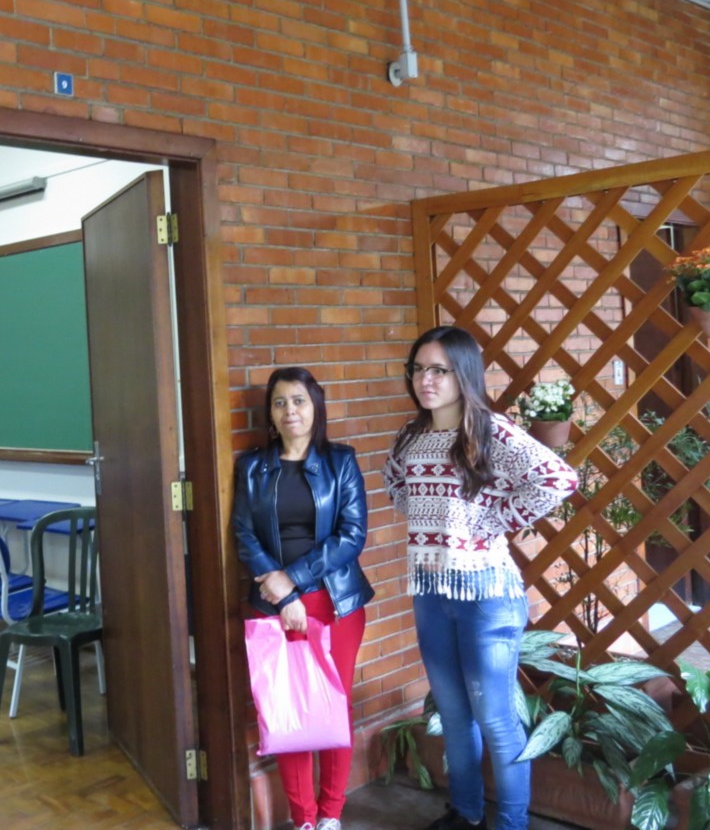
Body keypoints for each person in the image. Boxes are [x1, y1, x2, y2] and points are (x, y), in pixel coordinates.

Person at [383, 326, 578, 830]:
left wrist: (492, 519)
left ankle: (511, 824)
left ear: (463, 373)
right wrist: (435, 519)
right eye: (418, 369)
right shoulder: (410, 436)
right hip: (431, 592)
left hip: (487, 594)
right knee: (453, 716)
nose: (425, 380)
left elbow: (558, 478)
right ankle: (466, 814)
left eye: (439, 370)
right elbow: (395, 483)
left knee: (495, 718)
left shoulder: (491, 431)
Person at [232, 366, 374, 830]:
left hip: (334, 602)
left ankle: (331, 813)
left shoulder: (341, 461)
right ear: (270, 414)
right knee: (287, 707)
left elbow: (352, 536)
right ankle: (304, 819)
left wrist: (290, 580)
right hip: (274, 606)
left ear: (316, 407)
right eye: (280, 402)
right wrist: (280, 594)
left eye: (299, 400)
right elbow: (243, 533)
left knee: (333, 705)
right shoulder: (252, 467)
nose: (289, 410)